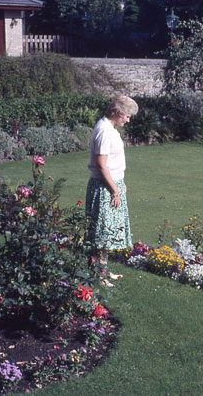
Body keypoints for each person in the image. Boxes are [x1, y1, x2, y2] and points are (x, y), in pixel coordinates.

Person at [85, 95, 138, 287]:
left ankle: (103, 270)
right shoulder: (104, 131)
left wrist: (119, 182)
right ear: (117, 112)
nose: (128, 119)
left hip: (111, 184)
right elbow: (101, 165)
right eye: (127, 116)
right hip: (104, 188)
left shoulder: (109, 128)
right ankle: (99, 276)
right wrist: (114, 190)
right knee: (102, 233)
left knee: (107, 233)